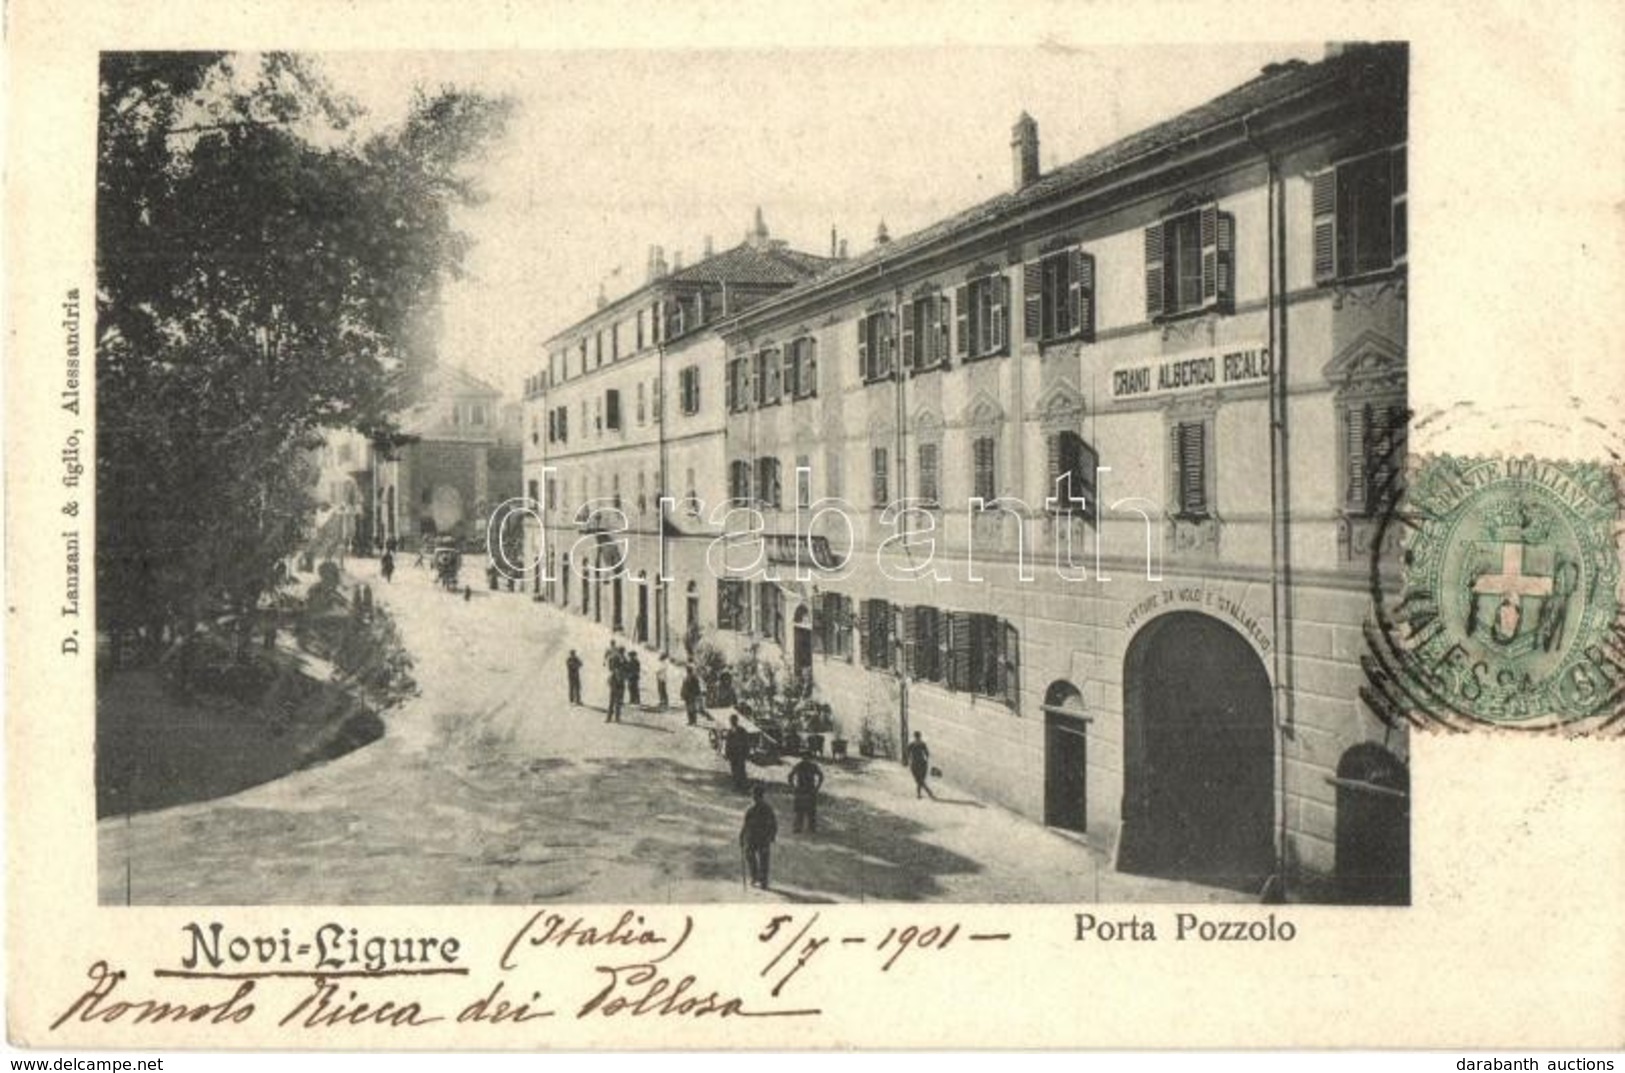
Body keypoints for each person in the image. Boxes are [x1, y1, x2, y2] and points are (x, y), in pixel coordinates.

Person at [739, 784, 778, 890]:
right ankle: (755, 876)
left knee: (763, 859)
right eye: (754, 796)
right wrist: (741, 836)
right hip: (753, 837)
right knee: (750, 855)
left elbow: (773, 823)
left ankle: (763, 880)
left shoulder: (767, 809)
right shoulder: (750, 809)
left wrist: (772, 835)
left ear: (761, 796)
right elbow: (745, 824)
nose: (754, 798)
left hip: (763, 837)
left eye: (756, 796)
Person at [787, 751, 825, 834]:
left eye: (807, 758)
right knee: (800, 811)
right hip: (803, 790)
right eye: (804, 758)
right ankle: (799, 827)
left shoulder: (811, 766)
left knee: (810, 810)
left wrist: (817, 787)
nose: (806, 760)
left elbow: (821, 776)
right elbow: (790, 776)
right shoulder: (800, 766)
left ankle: (810, 827)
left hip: (808, 790)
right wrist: (793, 787)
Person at [724, 714, 751, 791]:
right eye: (731, 721)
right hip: (733, 754)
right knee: (734, 770)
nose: (732, 722)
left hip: (740, 754)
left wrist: (746, 753)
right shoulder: (729, 731)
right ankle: (737, 786)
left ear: (736, 721)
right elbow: (727, 744)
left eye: (733, 721)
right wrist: (727, 753)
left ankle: (744, 786)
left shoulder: (742, 730)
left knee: (741, 770)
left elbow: (746, 742)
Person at [905, 731, 935, 799]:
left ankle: (921, 794)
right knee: (920, 780)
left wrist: (908, 760)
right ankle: (927, 793)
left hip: (915, 763)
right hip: (921, 763)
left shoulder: (912, 745)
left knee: (919, 780)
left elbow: (907, 753)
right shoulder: (922, 744)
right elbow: (927, 754)